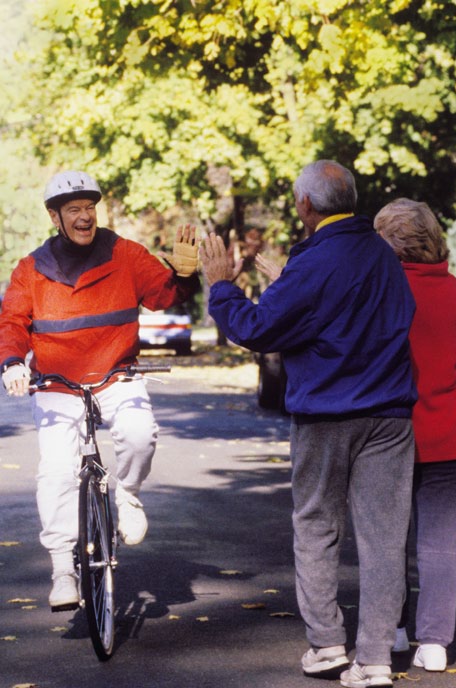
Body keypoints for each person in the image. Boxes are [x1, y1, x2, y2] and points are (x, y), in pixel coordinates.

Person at [200, 160, 417, 688]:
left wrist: (220, 285)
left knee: (317, 527)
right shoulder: (382, 256)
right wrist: (288, 282)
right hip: (390, 414)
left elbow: (255, 328)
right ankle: (375, 659)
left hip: (327, 413)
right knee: (385, 537)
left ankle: (326, 645)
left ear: (305, 206)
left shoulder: (316, 261)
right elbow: (364, 314)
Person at [0, 170, 199, 612]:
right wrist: (12, 362)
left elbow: (164, 294)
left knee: (138, 433)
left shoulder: (124, 253)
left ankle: (127, 494)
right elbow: (12, 323)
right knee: (55, 471)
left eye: (90, 208)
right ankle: (62, 569)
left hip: (115, 373)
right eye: (74, 210)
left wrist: (183, 276)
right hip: (57, 383)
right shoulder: (30, 269)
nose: (85, 217)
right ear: (55, 217)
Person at [374, 198, 456, 672]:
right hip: (450, 434)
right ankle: (435, 641)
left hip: (389, 433)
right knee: (439, 543)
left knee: (388, 539)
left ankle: (392, 630)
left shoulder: (379, 291)